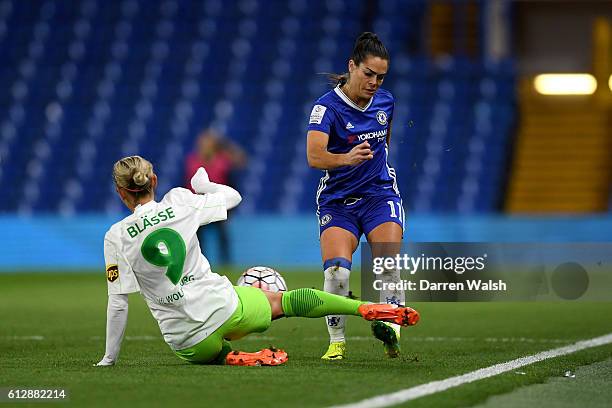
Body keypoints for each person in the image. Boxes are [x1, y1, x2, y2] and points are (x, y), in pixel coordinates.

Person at [95, 155, 419, 366]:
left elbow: (119, 303)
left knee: (197, 347)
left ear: (120, 193)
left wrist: (109, 358)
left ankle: (232, 357)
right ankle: (362, 307)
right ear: (153, 182)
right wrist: (205, 186)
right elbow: (234, 198)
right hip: (226, 309)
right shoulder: (179, 202)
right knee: (285, 300)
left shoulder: (116, 236)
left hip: (187, 341)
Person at [306, 32, 407, 360]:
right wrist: (346, 159)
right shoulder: (326, 109)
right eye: (368, 74)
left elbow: (384, 141)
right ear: (352, 66)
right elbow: (314, 157)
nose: (375, 82)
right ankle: (337, 341)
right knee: (338, 274)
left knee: (388, 265)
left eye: (381, 76)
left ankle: (391, 329)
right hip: (339, 203)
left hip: (380, 196)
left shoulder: (386, 101)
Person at [184, 128, 247, 265]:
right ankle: (200, 264)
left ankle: (225, 264)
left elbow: (232, 183)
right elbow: (185, 184)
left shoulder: (223, 162)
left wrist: (231, 209)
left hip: (218, 204)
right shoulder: (192, 161)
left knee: (222, 236)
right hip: (199, 205)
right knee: (198, 238)